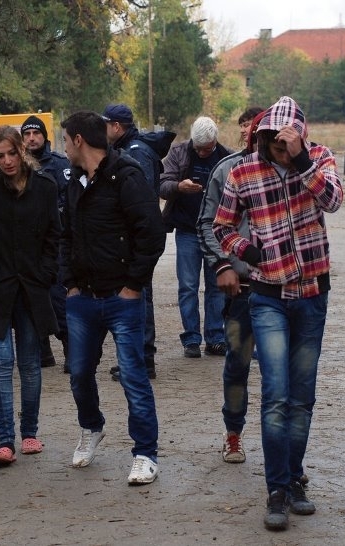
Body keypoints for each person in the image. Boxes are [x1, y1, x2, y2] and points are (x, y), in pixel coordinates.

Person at [213, 96, 343, 531]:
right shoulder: (244, 170)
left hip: (311, 295)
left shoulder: (319, 158)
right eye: (273, 140)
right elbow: (222, 226)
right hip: (267, 295)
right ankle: (276, 488)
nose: (279, 148)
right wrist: (244, 252)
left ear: (302, 137)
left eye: (287, 141)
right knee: (277, 394)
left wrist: (302, 160)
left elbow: (333, 200)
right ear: (263, 135)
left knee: (302, 396)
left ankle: (293, 479)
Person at [59, 111, 165, 484]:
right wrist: (69, 283)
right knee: (79, 374)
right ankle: (91, 427)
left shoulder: (127, 176)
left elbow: (152, 234)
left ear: (78, 140)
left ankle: (145, 453)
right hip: (81, 299)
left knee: (134, 376)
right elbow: (66, 235)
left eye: (65, 140)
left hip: (122, 299)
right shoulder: (72, 181)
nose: (64, 147)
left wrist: (132, 285)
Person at [0, 126, 61, 465]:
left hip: (32, 287)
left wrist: (45, 273)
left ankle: (30, 433)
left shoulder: (45, 187)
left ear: (23, 150)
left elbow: (54, 235)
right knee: (2, 362)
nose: (7, 161)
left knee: (31, 364)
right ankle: (5, 439)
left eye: (11, 153)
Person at [196, 107, 264, 464]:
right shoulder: (227, 170)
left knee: (278, 373)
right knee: (237, 365)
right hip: (243, 291)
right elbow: (207, 223)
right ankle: (233, 434)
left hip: (284, 290)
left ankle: (280, 448)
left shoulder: (293, 171)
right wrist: (223, 264)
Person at [103, 104, 176, 379]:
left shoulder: (136, 153)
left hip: (137, 238)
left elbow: (139, 199)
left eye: (105, 124)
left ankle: (141, 360)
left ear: (116, 126)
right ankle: (136, 358)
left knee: (138, 296)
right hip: (133, 236)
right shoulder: (130, 149)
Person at [160, 116, 232, 358]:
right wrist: (179, 186)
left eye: (207, 149)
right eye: (198, 148)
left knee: (216, 287)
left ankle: (215, 338)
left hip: (217, 233)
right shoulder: (179, 152)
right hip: (187, 231)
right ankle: (191, 339)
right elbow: (162, 183)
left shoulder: (226, 157)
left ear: (215, 142)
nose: (202, 153)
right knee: (188, 287)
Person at [20, 115, 71, 371]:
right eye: (27, 134)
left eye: (36, 133)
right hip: (27, 246)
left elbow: (69, 201)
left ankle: (69, 346)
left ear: (44, 136)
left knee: (58, 296)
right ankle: (42, 351)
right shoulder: (15, 167)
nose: (31, 138)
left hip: (55, 243)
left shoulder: (61, 165)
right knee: (30, 298)